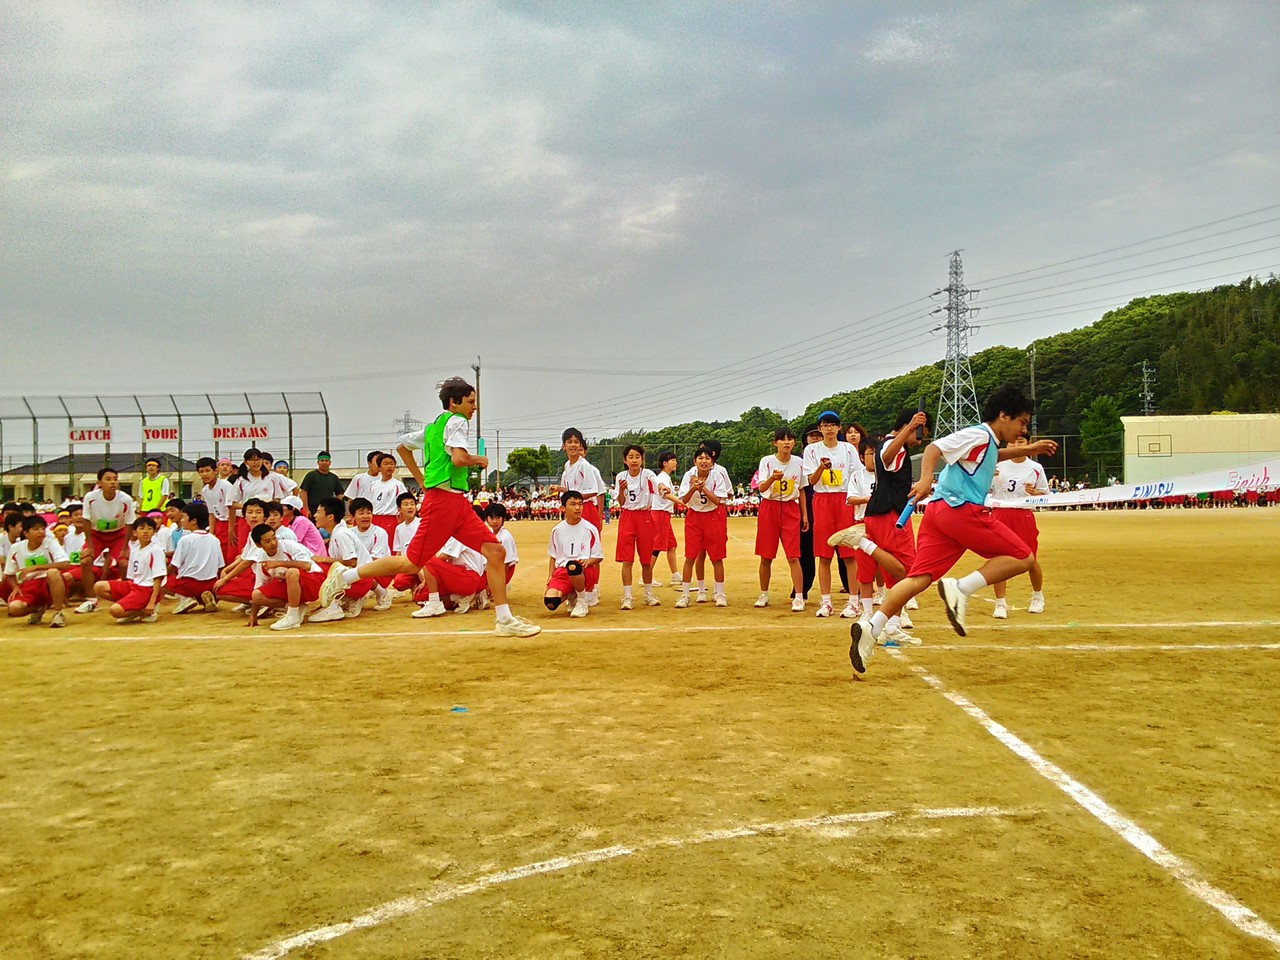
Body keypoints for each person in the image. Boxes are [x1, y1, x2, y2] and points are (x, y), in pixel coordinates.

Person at [848, 385, 1059, 674]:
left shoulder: (987, 443)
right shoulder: (979, 434)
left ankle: (871, 628)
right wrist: (925, 479)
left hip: (939, 515)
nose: (1023, 430)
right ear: (1003, 415)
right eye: (1022, 422)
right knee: (1023, 556)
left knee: (918, 578)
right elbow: (934, 448)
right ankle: (961, 588)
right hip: (960, 510)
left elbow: (990, 455)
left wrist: (1029, 450)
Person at [317, 377, 540, 637]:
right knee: (410, 564)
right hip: (444, 503)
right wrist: (478, 459)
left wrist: (422, 480)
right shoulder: (457, 421)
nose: (474, 407)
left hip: (455, 502)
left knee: (495, 551)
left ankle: (504, 619)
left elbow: (402, 447)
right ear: (454, 402)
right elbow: (458, 459)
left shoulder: (434, 427)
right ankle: (345, 577)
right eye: (470, 401)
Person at [829, 409, 931, 645]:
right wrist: (909, 428)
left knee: (896, 575)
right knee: (908, 573)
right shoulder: (892, 446)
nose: (919, 441)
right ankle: (862, 542)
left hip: (885, 514)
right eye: (920, 434)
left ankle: (892, 626)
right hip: (889, 516)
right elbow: (886, 458)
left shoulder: (889, 444)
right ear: (909, 426)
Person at [801, 411, 860, 618]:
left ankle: (854, 601)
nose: (829, 428)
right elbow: (811, 480)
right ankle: (826, 601)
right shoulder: (812, 450)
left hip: (844, 499)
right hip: (822, 500)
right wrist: (821, 467)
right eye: (825, 425)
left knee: (849, 554)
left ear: (838, 427)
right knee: (824, 554)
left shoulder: (848, 449)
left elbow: (856, 475)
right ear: (820, 428)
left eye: (833, 424)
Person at [988, 438, 1050, 618]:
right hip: (1000, 513)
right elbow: (982, 488)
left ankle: (1037, 596)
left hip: (1023, 514)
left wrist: (1035, 493)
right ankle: (1000, 603)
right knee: (999, 558)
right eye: (1012, 443)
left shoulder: (1035, 468)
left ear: (1028, 444)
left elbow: (1046, 495)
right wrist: (987, 476)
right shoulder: (997, 464)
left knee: (1030, 558)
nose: (1016, 446)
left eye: (1021, 442)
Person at [753, 427, 808, 612]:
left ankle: (799, 596)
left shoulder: (799, 463)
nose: (786, 443)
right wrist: (772, 478)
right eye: (782, 439)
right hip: (769, 507)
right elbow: (761, 488)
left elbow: (801, 489)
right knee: (766, 555)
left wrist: (804, 515)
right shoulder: (767, 461)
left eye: (790, 439)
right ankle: (763, 594)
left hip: (791, 508)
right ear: (775, 443)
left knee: (793, 555)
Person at [675, 444, 732, 607]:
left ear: (712, 462)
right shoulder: (689, 475)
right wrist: (694, 488)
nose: (704, 461)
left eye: (707, 458)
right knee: (691, 556)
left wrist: (703, 488)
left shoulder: (717, 475)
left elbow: (718, 500)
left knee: (717, 557)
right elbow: (683, 500)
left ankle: (719, 593)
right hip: (694, 517)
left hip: (713, 516)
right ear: (695, 461)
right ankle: (686, 594)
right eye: (700, 458)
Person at [75, 468, 137, 613]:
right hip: (96, 534)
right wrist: (90, 546)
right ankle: (91, 600)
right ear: (99, 482)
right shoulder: (91, 497)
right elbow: (86, 520)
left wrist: (124, 547)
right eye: (108, 479)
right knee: (85, 561)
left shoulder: (125, 499)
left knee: (123, 563)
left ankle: (127, 596)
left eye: (115, 479)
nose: (112, 482)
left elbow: (129, 523)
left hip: (118, 534)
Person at [246, 523, 327, 631]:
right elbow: (260, 585)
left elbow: (307, 565)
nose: (273, 543)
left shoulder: (289, 545)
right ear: (258, 545)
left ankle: (292, 616)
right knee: (256, 595)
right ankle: (297, 606)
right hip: (292, 588)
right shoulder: (261, 559)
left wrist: (279, 563)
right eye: (267, 541)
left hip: (314, 581)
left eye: (274, 538)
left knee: (292, 572)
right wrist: (253, 614)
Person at [94, 515, 166, 623]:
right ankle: (132, 608)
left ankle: (144, 611)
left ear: (154, 532)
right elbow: (131, 577)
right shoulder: (134, 550)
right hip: (134, 586)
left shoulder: (155, 550)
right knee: (99, 587)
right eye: (142, 528)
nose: (145, 532)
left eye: (149, 529)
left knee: (115, 611)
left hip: (146, 589)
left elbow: (158, 578)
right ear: (135, 532)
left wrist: (152, 602)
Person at [614, 444, 660, 610]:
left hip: (644, 516)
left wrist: (663, 488)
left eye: (637, 457)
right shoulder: (621, 476)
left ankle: (648, 594)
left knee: (646, 559)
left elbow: (657, 485)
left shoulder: (647, 475)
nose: (634, 460)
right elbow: (620, 501)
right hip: (627, 516)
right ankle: (627, 596)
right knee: (627, 559)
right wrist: (621, 489)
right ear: (625, 460)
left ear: (642, 459)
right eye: (631, 457)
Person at [544, 491, 603, 618]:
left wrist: (587, 562)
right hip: (562, 572)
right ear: (563, 508)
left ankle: (581, 601)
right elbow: (553, 556)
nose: (577, 508)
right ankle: (572, 595)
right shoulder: (557, 530)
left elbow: (598, 556)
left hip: (584, 571)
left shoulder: (590, 529)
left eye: (580, 504)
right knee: (550, 602)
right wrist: (550, 575)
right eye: (573, 504)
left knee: (573, 566)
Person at [4, 515, 72, 627]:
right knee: (14, 608)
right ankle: (39, 608)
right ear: (26, 533)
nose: (41, 532)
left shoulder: (50, 543)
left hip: (49, 583)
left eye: (43, 528)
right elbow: (9, 572)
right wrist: (15, 587)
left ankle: (57, 613)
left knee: (53, 572)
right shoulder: (16, 548)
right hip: (29, 585)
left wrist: (36, 567)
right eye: (36, 529)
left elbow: (65, 564)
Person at [168, 501, 223, 614]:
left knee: (161, 581)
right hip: (211, 583)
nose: (181, 520)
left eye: (184, 517)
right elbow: (220, 566)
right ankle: (207, 597)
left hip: (189, 584)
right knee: (203, 590)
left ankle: (185, 598)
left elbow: (174, 565)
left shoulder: (185, 540)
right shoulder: (214, 539)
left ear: (193, 521)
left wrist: (163, 575)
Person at [556, 429, 606, 530]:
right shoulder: (567, 466)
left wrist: (599, 515)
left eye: (576, 442)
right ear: (564, 446)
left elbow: (594, 491)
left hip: (585, 507)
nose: (573, 445)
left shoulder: (584, 465)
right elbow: (570, 491)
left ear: (580, 445)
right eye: (569, 442)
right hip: (571, 508)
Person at [195, 457, 238, 563]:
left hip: (232, 522)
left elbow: (231, 508)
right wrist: (212, 532)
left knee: (231, 555)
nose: (205, 474)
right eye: (201, 472)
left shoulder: (225, 485)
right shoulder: (205, 490)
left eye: (207, 470)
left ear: (215, 471)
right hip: (219, 524)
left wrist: (230, 529)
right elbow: (211, 513)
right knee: (219, 554)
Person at [650, 451, 681, 588]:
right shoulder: (662, 478)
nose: (675, 462)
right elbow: (666, 494)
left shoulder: (666, 477)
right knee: (656, 547)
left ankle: (675, 575)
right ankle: (646, 575)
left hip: (664, 514)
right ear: (664, 463)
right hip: (660, 513)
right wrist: (682, 502)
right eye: (672, 460)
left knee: (671, 545)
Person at [368, 452, 408, 546]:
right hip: (375, 518)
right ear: (379, 467)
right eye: (385, 464)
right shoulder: (373, 485)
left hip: (391, 519)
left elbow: (403, 503)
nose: (389, 466)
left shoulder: (398, 485)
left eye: (392, 464)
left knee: (389, 545)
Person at [298, 451, 346, 517]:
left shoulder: (334, 477)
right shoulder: (311, 476)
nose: (324, 462)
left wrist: (337, 509)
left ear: (330, 463)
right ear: (318, 462)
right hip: (312, 510)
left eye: (326, 461)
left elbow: (339, 494)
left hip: (328, 511)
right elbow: (303, 492)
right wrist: (306, 509)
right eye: (322, 460)